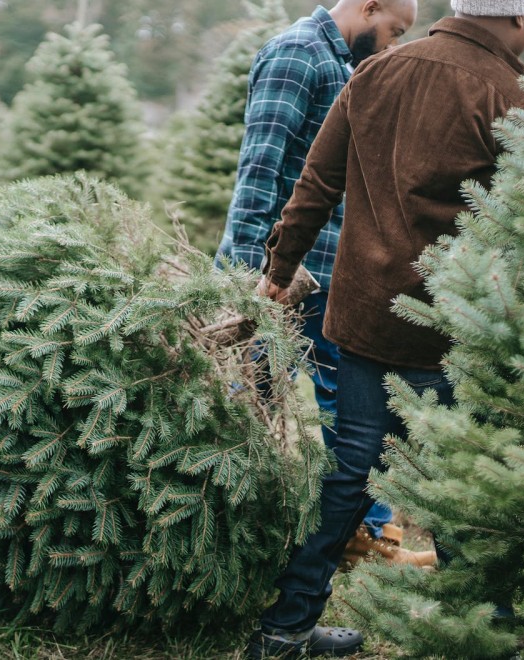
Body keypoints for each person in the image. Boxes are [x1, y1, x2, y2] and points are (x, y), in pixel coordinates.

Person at [247, 0, 524, 657]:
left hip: (362, 320)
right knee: (458, 484)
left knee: (349, 471)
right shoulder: (513, 97)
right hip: (449, 329)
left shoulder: (377, 72)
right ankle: (486, 635)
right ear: (522, 20)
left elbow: (315, 183)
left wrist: (278, 267)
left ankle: (285, 627)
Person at [219, 0, 423, 568]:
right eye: (393, 30)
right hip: (276, 279)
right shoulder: (297, 56)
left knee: (356, 409)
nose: (392, 44)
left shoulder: (351, 64)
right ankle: (233, 529)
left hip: (332, 274)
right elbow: (259, 169)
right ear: (369, 5)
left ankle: (368, 532)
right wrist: (250, 278)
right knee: (248, 401)